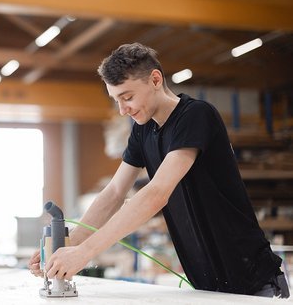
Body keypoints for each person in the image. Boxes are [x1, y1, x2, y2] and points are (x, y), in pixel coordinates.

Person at [28, 43, 289, 298]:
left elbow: (157, 193)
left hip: (253, 282)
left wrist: (85, 253)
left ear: (155, 79)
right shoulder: (143, 130)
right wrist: (70, 244)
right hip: (207, 287)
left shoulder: (196, 116)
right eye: (116, 100)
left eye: (127, 97)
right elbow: (114, 193)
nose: (122, 110)